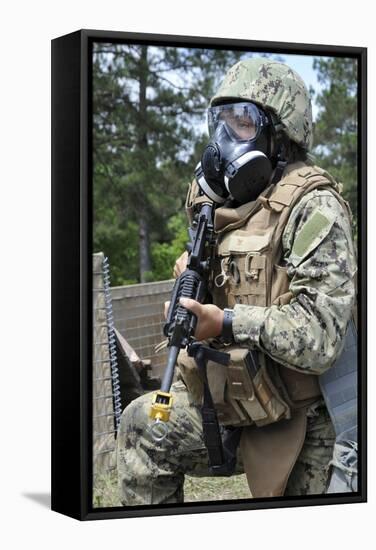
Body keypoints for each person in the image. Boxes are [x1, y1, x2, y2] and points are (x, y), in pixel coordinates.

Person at [116, 58, 357, 504]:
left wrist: (225, 321)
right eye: (220, 122)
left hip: (309, 418)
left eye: (242, 122)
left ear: (280, 134)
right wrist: (191, 299)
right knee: (142, 426)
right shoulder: (225, 205)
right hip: (235, 399)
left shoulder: (315, 208)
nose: (226, 139)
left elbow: (322, 337)